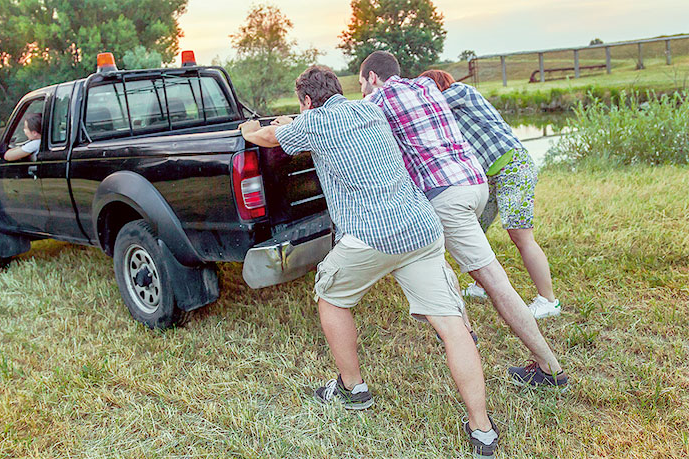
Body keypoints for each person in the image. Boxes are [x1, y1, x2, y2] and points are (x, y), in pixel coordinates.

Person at [239, 65, 499, 457]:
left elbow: (268, 137)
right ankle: (482, 429)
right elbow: (316, 124)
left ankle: (352, 387)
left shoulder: (315, 124)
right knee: (451, 326)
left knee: (331, 298)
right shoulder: (369, 109)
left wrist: (247, 128)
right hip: (421, 227)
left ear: (307, 101)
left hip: (372, 234)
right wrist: (300, 119)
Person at [359, 51, 566, 389]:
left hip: (446, 195)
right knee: (434, 256)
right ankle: (466, 334)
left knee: (492, 279)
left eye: (362, 84)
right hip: (475, 183)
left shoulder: (378, 99)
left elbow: (345, 121)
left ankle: (549, 368)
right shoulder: (427, 87)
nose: (363, 91)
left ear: (371, 77)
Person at [422, 69, 561, 320]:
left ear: (436, 85)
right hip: (489, 176)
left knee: (520, 235)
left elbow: (427, 106)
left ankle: (548, 300)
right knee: (474, 229)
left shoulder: (460, 93)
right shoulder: (446, 114)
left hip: (512, 166)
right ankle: (482, 285)